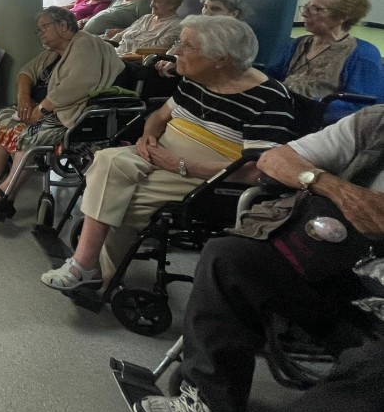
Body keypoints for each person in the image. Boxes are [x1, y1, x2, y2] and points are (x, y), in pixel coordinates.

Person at [133, 105, 384, 412]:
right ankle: (209, 401)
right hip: (339, 268)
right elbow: (273, 159)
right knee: (228, 258)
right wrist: (341, 191)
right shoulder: (375, 123)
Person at [40, 16, 295, 290]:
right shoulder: (197, 78)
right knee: (105, 159)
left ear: (221, 59)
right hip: (159, 153)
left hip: (206, 176)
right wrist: (147, 136)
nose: (176, 51)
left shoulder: (269, 98)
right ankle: (91, 269)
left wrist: (180, 164)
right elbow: (160, 116)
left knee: (119, 202)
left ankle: (93, 271)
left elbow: (257, 171)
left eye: (187, 46)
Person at [0, 6, 123, 220]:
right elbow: (26, 72)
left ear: (63, 26)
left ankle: (6, 194)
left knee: (30, 133)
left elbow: (76, 85)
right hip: (49, 110)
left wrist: (41, 109)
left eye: (44, 27)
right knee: (5, 116)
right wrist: (24, 97)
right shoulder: (53, 52)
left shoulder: (85, 44)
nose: (40, 33)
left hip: (73, 117)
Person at [266, 0, 384, 124]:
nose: (305, 14)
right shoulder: (298, 44)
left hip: (319, 124)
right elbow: (271, 76)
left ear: (343, 17)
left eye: (316, 9)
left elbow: (360, 105)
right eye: (306, 7)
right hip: (280, 112)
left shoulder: (363, 54)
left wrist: (308, 107)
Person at [111, 0, 185, 62]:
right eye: (152, 1)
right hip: (114, 54)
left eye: (157, 2)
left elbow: (158, 51)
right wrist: (106, 44)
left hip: (130, 61)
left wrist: (121, 58)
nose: (151, 5)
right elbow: (120, 35)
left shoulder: (176, 26)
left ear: (171, 5)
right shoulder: (146, 18)